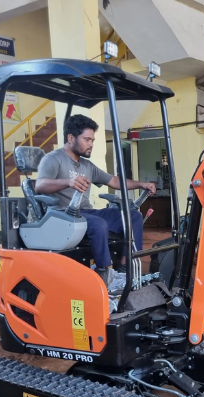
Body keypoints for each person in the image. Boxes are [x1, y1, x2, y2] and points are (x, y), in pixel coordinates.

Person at [36, 114, 155, 288]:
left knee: (133, 216)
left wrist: (141, 184)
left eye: (92, 140)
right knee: (98, 224)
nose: (91, 144)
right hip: (63, 215)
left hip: (85, 212)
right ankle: (105, 273)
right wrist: (68, 182)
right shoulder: (53, 159)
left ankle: (124, 268)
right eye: (87, 139)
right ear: (71, 138)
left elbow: (114, 181)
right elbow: (39, 185)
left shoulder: (87, 165)